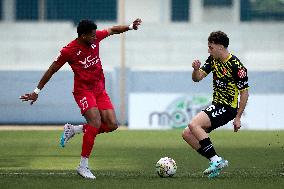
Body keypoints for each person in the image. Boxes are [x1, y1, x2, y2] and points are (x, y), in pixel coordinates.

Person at [19, 18, 142, 179]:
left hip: (99, 89)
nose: (94, 38)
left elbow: (112, 30)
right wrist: (36, 91)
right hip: (83, 91)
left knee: (112, 124)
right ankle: (83, 166)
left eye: (94, 35)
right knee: (95, 123)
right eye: (91, 35)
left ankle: (74, 129)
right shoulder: (68, 51)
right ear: (83, 36)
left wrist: (131, 27)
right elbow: (51, 70)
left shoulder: (95, 37)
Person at [182, 31, 249, 178]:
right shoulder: (213, 59)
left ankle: (216, 160)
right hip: (217, 105)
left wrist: (238, 117)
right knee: (187, 133)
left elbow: (244, 92)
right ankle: (215, 161)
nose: (208, 50)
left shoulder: (236, 66)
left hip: (227, 108)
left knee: (194, 125)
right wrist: (195, 70)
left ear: (220, 46)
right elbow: (197, 78)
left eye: (211, 47)